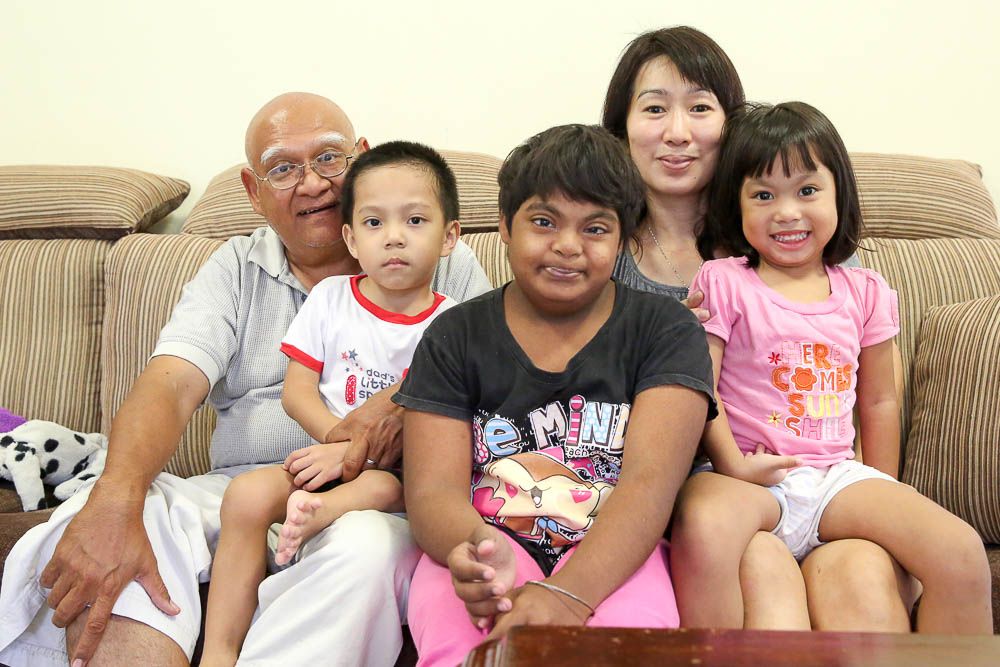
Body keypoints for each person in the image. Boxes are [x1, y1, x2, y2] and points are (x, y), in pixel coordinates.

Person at [0, 93, 492, 667]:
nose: (312, 184)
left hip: (375, 495)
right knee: (129, 517)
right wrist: (115, 499)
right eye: (283, 168)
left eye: (329, 158)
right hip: (240, 485)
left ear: (361, 158)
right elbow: (171, 382)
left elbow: (487, 373)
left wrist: (394, 411)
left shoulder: (434, 248)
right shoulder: (234, 267)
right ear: (254, 191)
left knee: (369, 546)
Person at [600, 26, 920, 630]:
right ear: (621, 129)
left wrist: (877, 499)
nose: (677, 132)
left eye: (699, 107)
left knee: (864, 582)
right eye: (653, 109)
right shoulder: (595, 251)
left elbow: (876, 390)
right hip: (696, 502)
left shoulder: (796, 240)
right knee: (763, 578)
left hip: (820, 483)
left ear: (732, 123)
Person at [395, 124, 718, 666]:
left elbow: (649, 486)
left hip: (615, 555)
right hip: (483, 548)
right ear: (503, 226)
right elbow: (430, 493)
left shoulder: (666, 331)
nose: (567, 246)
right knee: (461, 646)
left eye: (595, 229)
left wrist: (568, 595)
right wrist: (486, 558)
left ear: (622, 240)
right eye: (543, 222)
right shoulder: (455, 336)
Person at [670, 101, 992, 633]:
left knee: (960, 552)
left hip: (834, 479)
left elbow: (881, 400)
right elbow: (700, 385)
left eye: (808, 190)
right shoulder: (723, 281)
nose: (787, 212)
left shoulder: (866, 291)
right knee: (703, 521)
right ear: (737, 205)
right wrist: (733, 464)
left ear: (840, 192)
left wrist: (881, 489)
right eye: (763, 195)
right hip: (748, 476)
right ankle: (706, 652)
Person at [200, 140, 462, 666]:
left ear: (450, 235)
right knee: (247, 496)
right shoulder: (330, 299)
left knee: (387, 483)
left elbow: (436, 419)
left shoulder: (455, 324)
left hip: (404, 472)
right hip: (325, 454)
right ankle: (218, 651)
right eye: (372, 223)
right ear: (350, 237)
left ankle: (322, 514)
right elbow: (297, 393)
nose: (393, 238)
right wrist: (337, 447)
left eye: (414, 221)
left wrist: (351, 461)